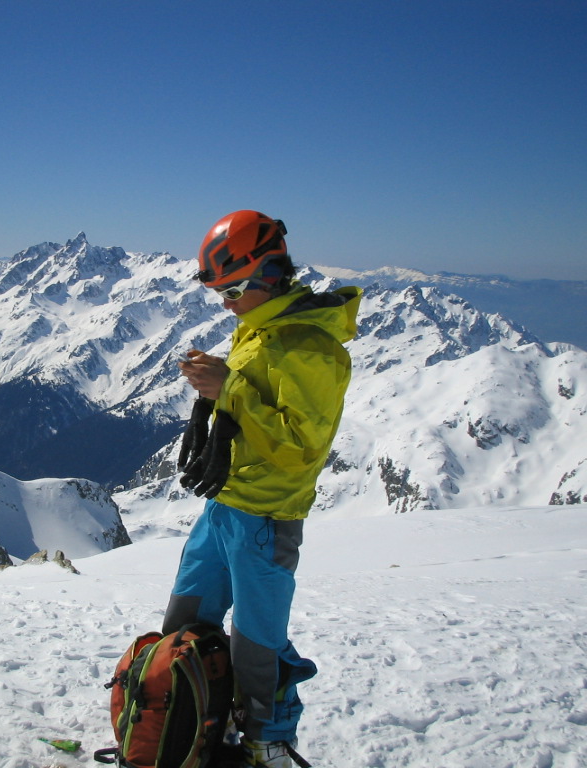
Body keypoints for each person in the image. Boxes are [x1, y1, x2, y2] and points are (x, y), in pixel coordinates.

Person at [163, 210, 362, 768]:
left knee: (257, 646)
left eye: (231, 289)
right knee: (185, 621)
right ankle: (191, 716)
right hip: (226, 503)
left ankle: (266, 742)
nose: (224, 300)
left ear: (267, 275)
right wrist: (225, 383)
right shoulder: (264, 326)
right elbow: (256, 404)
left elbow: (300, 446)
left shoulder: (310, 346)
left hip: (267, 516)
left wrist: (227, 388)